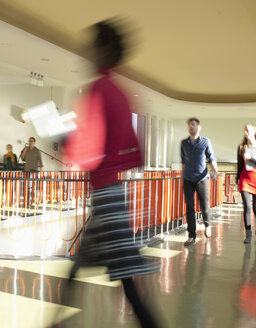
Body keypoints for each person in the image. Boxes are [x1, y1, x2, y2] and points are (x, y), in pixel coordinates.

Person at [61, 20, 158, 328]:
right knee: (79, 269)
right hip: (110, 194)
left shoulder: (99, 90)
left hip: (105, 198)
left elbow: (88, 148)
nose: (88, 52)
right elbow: (129, 148)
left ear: (103, 50)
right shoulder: (118, 91)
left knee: (126, 282)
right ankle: (54, 321)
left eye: (93, 46)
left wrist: (67, 143)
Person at [181, 118, 218, 247]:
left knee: (204, 204)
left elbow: (211, 157)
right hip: (187, 179)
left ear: (199, 127)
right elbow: (183, 162)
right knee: (189, 207)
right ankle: (191, 235)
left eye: (194, 125)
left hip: (202, 178)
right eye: (189, 125)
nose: (191, 127)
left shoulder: (205, 142)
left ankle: (207, 224)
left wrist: (215, 171)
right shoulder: (184, 143)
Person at [236, 124, 256, 243]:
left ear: (254, 131)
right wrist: (237, 180)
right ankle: (248, 234)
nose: (246, 132)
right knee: (247, 207)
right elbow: (239, 166)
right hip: (245, 179)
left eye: (248, 130)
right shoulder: (241, 147)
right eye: (244, 130)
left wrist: (250, 159)